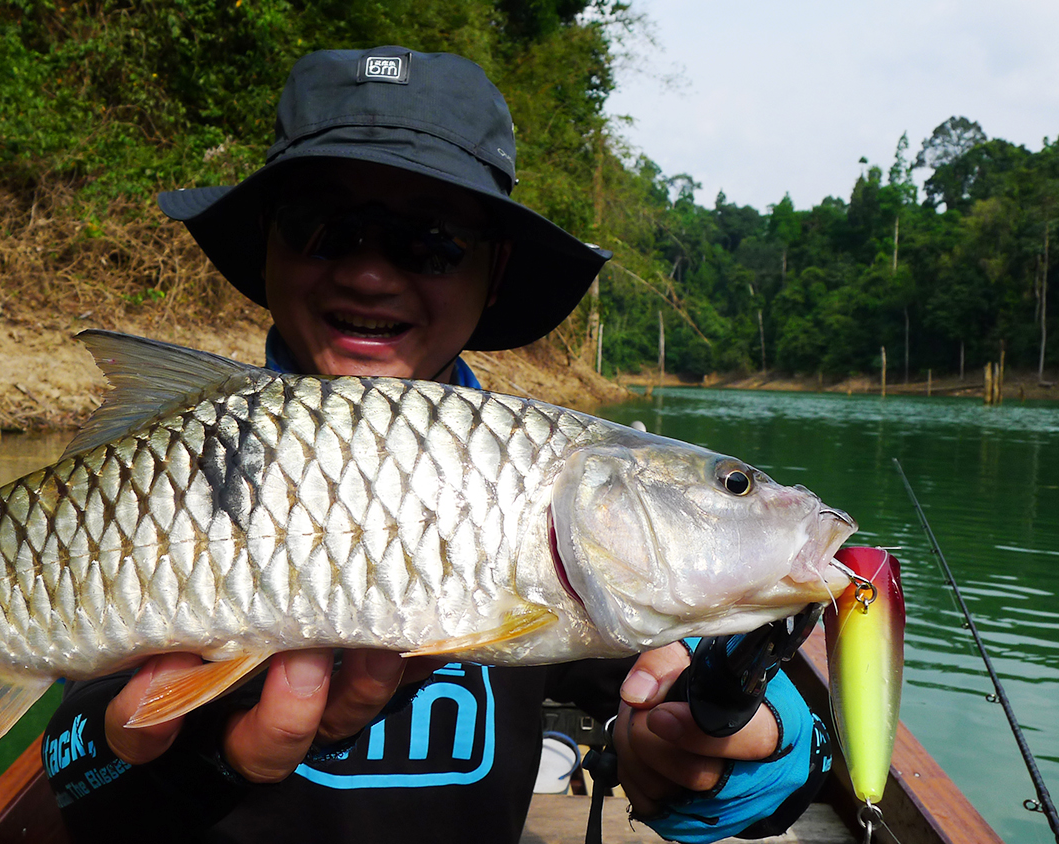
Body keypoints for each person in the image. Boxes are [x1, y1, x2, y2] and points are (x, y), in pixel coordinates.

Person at [44, 46, 829, 843]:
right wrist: (215, 754)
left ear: (494, 272)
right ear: (268, 244)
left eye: (433, 241)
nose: (372, 276)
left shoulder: (560, 507)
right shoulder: (163, 474)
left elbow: (778, 748)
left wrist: (725, 754)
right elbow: (73, 777)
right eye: (323, 227)